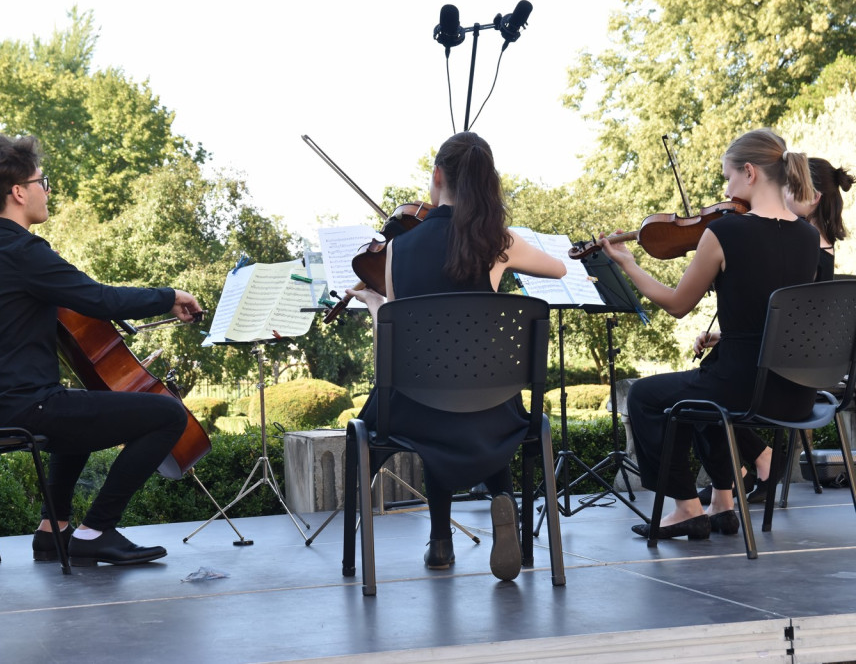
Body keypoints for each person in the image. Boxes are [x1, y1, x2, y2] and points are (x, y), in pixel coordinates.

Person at [0, 134, 203, 567]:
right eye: (41, 182)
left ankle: (54, 531)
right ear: (18, 192)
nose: (46, 191)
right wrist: (169, 295)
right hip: (23, 408)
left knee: (80, 407)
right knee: (168, 415)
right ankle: (96, 531)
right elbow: (99, 299)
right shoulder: (25, 252)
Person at [347, 131, 566, 580]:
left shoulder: (397, 249)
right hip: (493, 403)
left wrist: (372, 302)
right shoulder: (497, 242)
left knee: (431, 403)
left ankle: (441, 541)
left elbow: (392, 340)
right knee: (473, 400)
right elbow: (558, 268)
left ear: (437, 176)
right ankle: (503, 501)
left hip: (413, 409)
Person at [602, 128, 820, 540]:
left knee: (648, 397)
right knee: (703, 385)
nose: (726, 189)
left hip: (742, 388)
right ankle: (722, 504)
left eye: (728, 177)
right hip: (795, 391)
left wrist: (628, 263)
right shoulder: (809, 237)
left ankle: (686, 508)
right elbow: (776, 318)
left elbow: (678, 304)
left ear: (750, 173)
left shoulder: (725, 233)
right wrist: (727, 338)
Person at [695, 156, 854, 506]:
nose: (779, 196)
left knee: (713, 384)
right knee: (719, 372)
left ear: (811, 198)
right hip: (802, 362)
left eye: (788, 188)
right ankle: (743, 474)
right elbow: (793, 324)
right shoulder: (815, 246)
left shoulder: (808, 250)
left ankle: (742, 474)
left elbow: (795, 328)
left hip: (791, 370)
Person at [785, 157, 853, 282]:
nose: (784, 193)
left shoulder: (805, 244)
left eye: (791, 187)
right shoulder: (823, 242)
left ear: (814, 196)